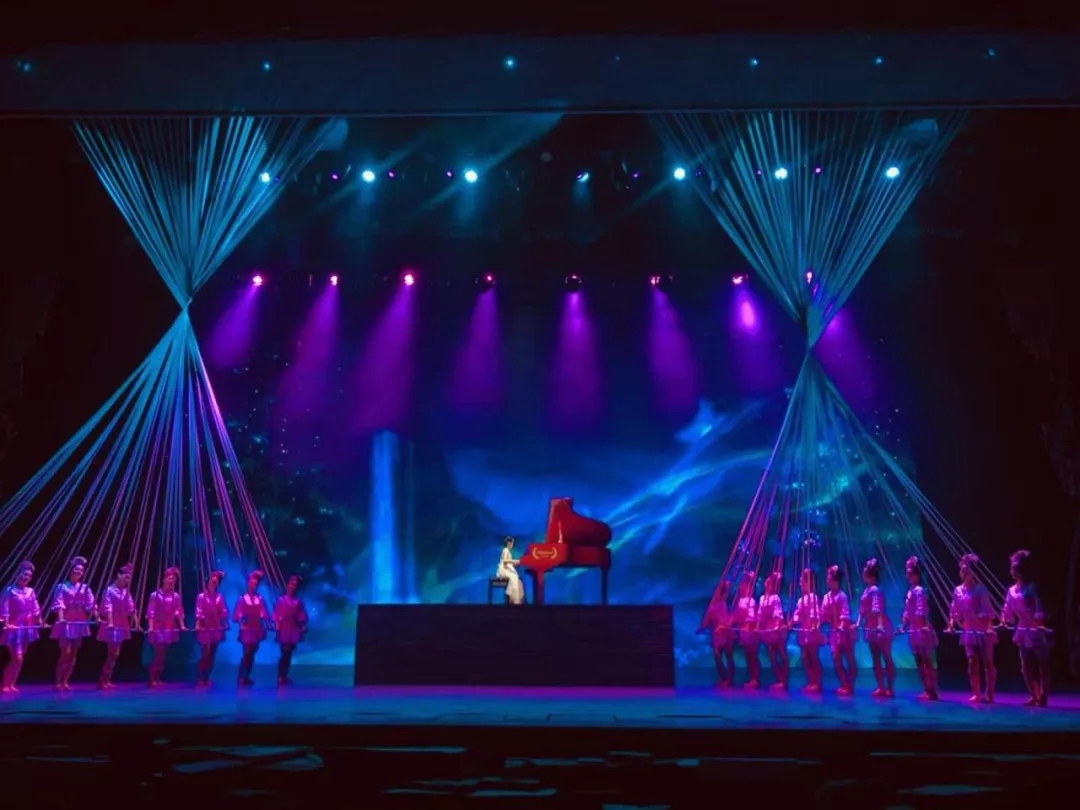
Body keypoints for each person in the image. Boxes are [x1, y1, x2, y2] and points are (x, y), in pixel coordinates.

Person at [1002, 550, 1051, 707]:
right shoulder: (1012, 590)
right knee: (1025, 666)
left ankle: (1043, 695)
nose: (1013, 571)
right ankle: (1034, 693)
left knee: (1041, 664)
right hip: (1023, 630)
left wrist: (1039, 623)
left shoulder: (1031, 587)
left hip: (1035, 629)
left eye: (1015, 568)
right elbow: (1007, 609)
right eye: (1012, 568)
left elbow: (1039, 606)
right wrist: (1004, 620)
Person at [948, 553, 997, 703]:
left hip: (982, 629)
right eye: (962, 570)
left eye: (966, 570)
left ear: (973, 572)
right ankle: (976, 692)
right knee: (972, 660)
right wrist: (951, 624)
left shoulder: (980, 589)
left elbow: (988, 611)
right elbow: (954, 610)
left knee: (987, 662)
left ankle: (989, 693)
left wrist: (988, 626)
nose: (963, 573)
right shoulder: (958, 590)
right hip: (968, 630)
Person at [49, 555, 96, 691]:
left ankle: (65, 681)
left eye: (81, 570)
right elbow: (59, 603)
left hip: (79, 621)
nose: (79, 571)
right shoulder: (62, 586)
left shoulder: (85, 587)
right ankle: (58, 682)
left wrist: (97, 617)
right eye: (77, 569)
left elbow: (91, 603)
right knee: (65, 653)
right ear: (70, 570)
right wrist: (61, 618)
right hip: (66, 622)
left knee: (73, 654)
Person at [0, 561, 42, 693]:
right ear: (18, 574)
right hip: (13, 627)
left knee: (20, 657)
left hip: (26, 627)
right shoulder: (9, 590)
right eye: (24, 574)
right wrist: (6, 623)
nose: (26, 578)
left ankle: (11, 683)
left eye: (29, 576)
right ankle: (4, 684)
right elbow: (4, 608)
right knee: (17, 658)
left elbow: (35, 608)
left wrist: (40, 621)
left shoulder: (30, 591)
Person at [901, 556, 939, 701]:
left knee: (926, 659)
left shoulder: (919, 591)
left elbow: (920, 610)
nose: (907, 575)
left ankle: (932, 689)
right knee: (919, 660)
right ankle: (926, 688)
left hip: (921, 629)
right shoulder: (911, 590)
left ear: (917, 574)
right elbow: (907, 611)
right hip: (914, 629)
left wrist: (922, 626)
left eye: (910, 573)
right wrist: (904, 625)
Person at [96, 562, 137, 690]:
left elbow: (132, 609)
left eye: (129, 577)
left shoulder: (126, 592)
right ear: (119, 575)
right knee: (113, 652)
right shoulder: (109, 590)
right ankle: (103, 679)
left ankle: (106, 679)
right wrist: (110, 622)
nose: (127, 579)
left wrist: (137, 624)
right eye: (126, 576)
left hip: (121, 624)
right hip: (112, 624)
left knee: (115, 653)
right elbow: (108, 607)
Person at [859, 558, 895, 698]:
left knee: (886, 657)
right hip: (870, 626)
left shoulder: (875, 590)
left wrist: (879, 625)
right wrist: (858, 623)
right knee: (875, 658)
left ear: (871, 575)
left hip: (880, 626)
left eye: (865, 571)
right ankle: (881, 686)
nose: (863, 573)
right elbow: (862, 610)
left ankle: (889, 687)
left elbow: (877, 608)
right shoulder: (866, 590)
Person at [145, 566, 186, 687]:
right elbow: (151, 612)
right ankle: (151, 678)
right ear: (164, 580)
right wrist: (151, 628)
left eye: (174, 580)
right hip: (158, 628)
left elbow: (179, 612)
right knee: (159, 653)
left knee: (163, 655)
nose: (171, 581)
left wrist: (182, 625)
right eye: (169, 579)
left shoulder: (176, 596)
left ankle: (157, 677)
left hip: (169, 628)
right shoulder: (155, 595)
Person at [821, 565, 856, 696]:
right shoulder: (826, 597)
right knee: (836, 658)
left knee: (849, 658)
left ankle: (849, 685)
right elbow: (823, 615)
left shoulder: (842, 596)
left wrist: (841, 626)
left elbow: (845, 614)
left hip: (845, 631)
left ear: (835, 580)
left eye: (828, 577)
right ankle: (843, 683)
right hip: (834, 632)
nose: (826, 580)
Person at [233, 569, 270, 687]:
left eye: (255, 584)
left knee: (253, 653)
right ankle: (241, 676)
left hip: (257, 628)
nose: (253, 586)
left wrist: (267, 623)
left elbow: (263, 612)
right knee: (246, 653)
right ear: (248, 584)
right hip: (247, 629)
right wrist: (241, 624)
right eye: (252, 583)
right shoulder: (243, 598)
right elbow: (238, 613)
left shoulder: (259, 598)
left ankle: (247, 676)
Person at [697, 580, 735, 687]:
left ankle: (729, 680)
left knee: (727, 655)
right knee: (718, 656)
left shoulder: (722, 604)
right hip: (717, 634)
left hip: (724, 632)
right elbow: (708, 620)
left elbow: (724, 619)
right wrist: (702, 628)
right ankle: (724, 678)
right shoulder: (714, 605)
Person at [195, 570, 229, 687]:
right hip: (205, 627)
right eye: (212, 581)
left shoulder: (220, 597)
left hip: (216, 628)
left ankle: (207, 676)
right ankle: (200, 675)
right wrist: (198, 624)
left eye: (216, 582)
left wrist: (225, 623)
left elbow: (224, 611)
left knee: (212, 653)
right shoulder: (201, 596)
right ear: (208, 582)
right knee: (206, 652)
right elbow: (199, 611)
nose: (214, 583)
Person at [793, 568, 825, 693]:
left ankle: (817, 682)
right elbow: (797, 614)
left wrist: (813, 626)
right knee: (805, 657)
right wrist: (791, 622)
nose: (800, 584)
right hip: (803, 632)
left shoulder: (813, 597)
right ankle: (811, 681)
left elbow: (815, 614)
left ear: (808, 582)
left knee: (813, 657)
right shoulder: (801, 599)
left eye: (802, 582)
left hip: (811, 632)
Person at [273, 574, 308, 686]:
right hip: (284, 629)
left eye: (295, 585)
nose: (293, 587)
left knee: (289, 654)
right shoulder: (281, 600)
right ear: (288, 585)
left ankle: (284, 675)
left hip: (294, 629)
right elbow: (276, 614)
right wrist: (277, 626)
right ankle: (280, 676)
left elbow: (301, 615)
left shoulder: (297, 601)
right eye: (291, 584)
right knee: (284, 652)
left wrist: (302, 625)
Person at [757, 571, 789, 690]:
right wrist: (758, 627)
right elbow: (760, 615)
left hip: (776, 629)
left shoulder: (775, 598)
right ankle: (778, 679)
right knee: (772, 656)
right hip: (768, 631)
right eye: (766, 581)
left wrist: (776, 627)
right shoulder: (762, 598)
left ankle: (783, 681)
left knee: (781, 654)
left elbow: (778, 614)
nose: (766, 583)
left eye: (768, 582)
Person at [732, 572, 761, 689]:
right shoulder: (741, 600)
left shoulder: (751, 600)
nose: (741, 588)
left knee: (752, 655)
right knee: (748, 655)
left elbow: (751, 617)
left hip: (750, 631)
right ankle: (751, 678)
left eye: (743, 586)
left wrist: (748, 629)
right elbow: (737, 616)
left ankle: (755, 679)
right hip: (743, 630)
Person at [496, 537, 524, 605]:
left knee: (519, 582)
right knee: (514, 577)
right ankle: (513, 599)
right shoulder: (505, 549)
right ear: (509, 543)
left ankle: (518, 600)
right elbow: (505, 561)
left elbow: (508, 563)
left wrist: (515, 563)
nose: (512, 544)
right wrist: (514, 561)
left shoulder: (508, 550)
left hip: (507, 568)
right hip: (504, 569)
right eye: (512, 543)